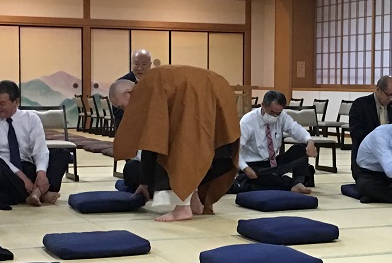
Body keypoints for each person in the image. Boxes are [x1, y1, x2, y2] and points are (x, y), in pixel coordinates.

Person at [112, 65, 239, 222]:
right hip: (220, 89)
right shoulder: (155, 81)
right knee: (201, 146)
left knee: (180, 146)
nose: (124, 111)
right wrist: (144, 182)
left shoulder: (147, 88)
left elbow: (153, 142)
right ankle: (195, 202)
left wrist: (145, 181)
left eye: (121, 106)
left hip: (196, 95)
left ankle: (182, 209)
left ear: (128, 93)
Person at [0, 80, 68, 208]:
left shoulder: (31, 118)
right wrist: (22, 177)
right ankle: (40, 194)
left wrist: (41, 173)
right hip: (4, 172)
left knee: (61, 154)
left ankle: (36, 191)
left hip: (26, 165)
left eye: (2, 103)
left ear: (16, 102)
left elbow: (40, 149)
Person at [234, 91, 316, 194]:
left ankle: (298, 182)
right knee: (257, 179)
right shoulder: (247, 121)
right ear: (263, 105)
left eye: (278, 113)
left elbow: (295, 129)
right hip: (254, 166)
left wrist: (309, 141)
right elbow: (235, 151)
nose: (274, 115)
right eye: (272, 112)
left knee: (301, 149)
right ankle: (291, 185)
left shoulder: (282, 116)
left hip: (274, 162)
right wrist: (245, 168)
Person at [347, 75, 392, 174]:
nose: (391, 98)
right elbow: (356, 132)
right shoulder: (360, 104)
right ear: (378, 90)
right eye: (388, 95)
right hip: (366, 159)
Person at [111, 49, 153, 128]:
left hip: (149, 127)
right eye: (136, 64)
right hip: (127, 126)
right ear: (131, 64)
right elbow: (116, 109)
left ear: (150, 64)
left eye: (144, 64)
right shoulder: (122, 83)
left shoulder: (155, 82)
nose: (140, 68)